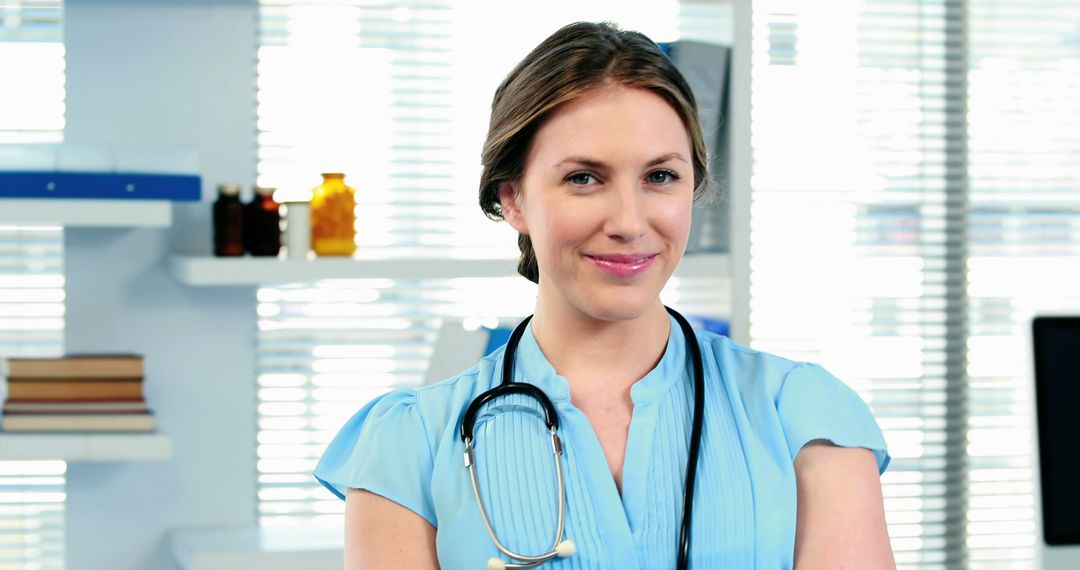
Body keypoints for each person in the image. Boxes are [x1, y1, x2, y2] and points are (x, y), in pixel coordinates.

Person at [315, 21, 895, 570]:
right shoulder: (411, 444)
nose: (628, 221)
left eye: (660, 177)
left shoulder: (803, 418)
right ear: (513, 198)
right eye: (583, 178)